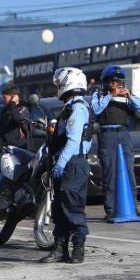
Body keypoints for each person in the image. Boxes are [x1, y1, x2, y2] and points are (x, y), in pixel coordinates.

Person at [40, 67, 92, 264]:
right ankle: (60, 249)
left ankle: (78, 248)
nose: (58, 88)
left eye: (59, 84)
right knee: (59, 209)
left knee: (73, 207)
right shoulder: (69, 108)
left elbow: (73, 141)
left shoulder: (78, 108)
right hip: (68, 163)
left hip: (73, 164)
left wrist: (60, 164)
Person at [91, 65, 140, 220]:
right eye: (112, 81)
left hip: (123, 134)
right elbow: (96, 109)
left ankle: (133, 207)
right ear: (106, 82)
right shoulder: (99, 94)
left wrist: (130, 96)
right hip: (107, 135)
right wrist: (110, 96)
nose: (116, 84)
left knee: (129, 171)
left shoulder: (126, 94)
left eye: (118, 81)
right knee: (110, 173)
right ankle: (110, 209)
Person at [0, 86, 30, 152]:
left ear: (12, 97)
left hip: (17, 148)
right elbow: (0, 130)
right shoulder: (6, 110)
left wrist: (12, 103)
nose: (3, 100)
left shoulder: (23, 108)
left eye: (4, 97)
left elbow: (18, 119)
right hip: (4, 147)